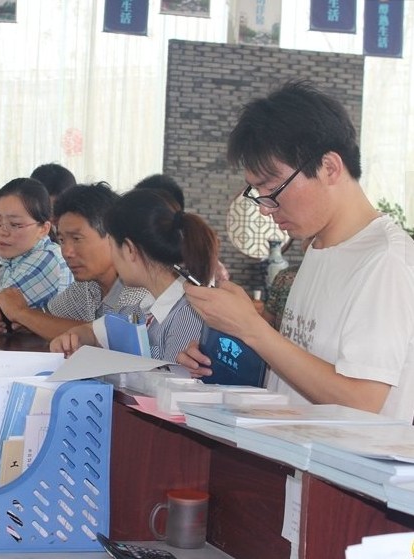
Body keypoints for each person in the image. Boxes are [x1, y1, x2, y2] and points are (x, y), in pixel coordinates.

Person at [177, 80, 414, 421]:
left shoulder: (385, 261)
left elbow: (361, 402)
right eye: (258, 194)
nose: (265, 208)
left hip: (340, 458)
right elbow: (298, 370)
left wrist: (252, 329)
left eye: (273, 190)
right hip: (289, 451)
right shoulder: (319, 247)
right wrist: (223, 351)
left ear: (330, 168)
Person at [51, 180, 219, 362]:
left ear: (129, 249)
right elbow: (94, 331)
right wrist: (75, 337)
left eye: (112, 245)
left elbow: (176, 379)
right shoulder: (139, 308)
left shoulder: (188, 314)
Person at [0, 183, 147, 340]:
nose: (67, 252)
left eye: (77, 239)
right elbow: (48, 318)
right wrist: (10, 320)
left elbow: (110, 339)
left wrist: (22, 313)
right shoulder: (87, 286)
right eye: (62, 240)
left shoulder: (138, 286)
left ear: (111, 236)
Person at [0, 177, 73, 328]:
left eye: (15, 224)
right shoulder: (14, 260)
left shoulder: (46, 259)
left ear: (43, 229)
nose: (2, 232)